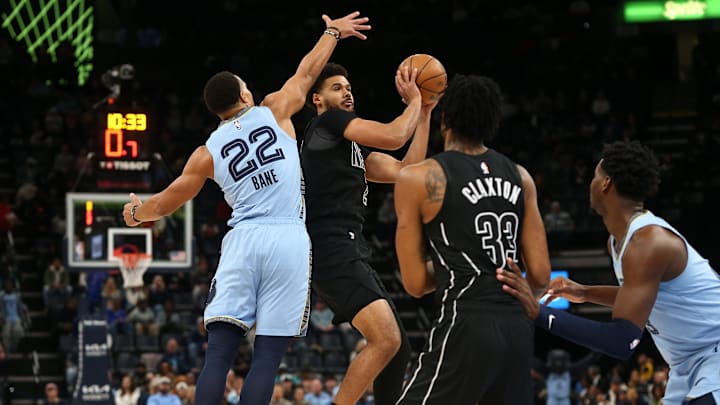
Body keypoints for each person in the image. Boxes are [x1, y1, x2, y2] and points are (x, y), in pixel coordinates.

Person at [122, 12, 371, 405]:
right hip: (289, 236)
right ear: (243, 96)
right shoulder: (274, 109)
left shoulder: (206, 152)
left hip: (243, 239)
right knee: (267, 358)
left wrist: (135, 214)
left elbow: (166, 202)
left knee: (218, 354)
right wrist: (332, 32)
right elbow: (308, 71)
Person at [497, 141, 720, 405]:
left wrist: (538, 312)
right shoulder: (618, 242)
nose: (590, 183)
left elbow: (621, 341)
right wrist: (584, 292)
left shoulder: (647, 242)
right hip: (686, 364)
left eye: (595, 176)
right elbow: (640, 297)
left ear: (606, 184)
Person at [392, 74, 551, 404]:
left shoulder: (417, 178)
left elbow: (416, 283)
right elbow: (539, 276)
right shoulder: (521, 177)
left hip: (466, 320)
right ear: (493, 121)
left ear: (445, 119)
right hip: (518, 327)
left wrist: (461, 262)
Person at [301, 62, 435, 405]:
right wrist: (414, 100)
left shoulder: (354, 153)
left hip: (349, 249)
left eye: (348, 87)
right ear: (317, 99)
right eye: (336, 88)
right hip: (331, 248)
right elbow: (393, 135)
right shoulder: (326, 123)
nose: (347, 92)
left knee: (399, 349)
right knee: (386, 341)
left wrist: (425, 113)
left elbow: (409, 171)